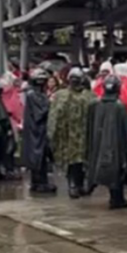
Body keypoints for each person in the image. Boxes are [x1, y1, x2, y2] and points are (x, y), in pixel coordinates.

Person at [86, 75, 127, 209]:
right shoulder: (119, 107)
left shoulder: (95, 105)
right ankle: (117, 198)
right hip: (116, 146)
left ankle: (115, 197)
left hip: (98, 144)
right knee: (117, 172)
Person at [50, 68, 95, 198]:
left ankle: (79, 185)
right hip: (68, 135)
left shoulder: (88, 96)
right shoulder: (61, 95)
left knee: (80, 161)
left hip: (83, 134)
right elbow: (54, 116)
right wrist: (53, 134)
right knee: (72, 161)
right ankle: (73, 185)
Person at [23, 69, 56, 194]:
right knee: (38, 155)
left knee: (39, 156)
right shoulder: (34, 95)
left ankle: (39, 182)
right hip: (37, 130)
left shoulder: (33, 94)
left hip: (36, 129)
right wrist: (50, 103)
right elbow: (41, 112)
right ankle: (40, 182)